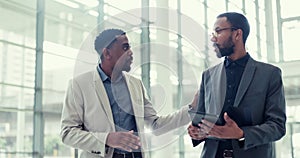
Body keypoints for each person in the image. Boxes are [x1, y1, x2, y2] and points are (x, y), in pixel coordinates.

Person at [60, 28, 197, 158]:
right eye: (125, 47)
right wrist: (107, 138)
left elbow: (156, 125)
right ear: (107, 53)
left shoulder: (136, 84)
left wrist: (191, 109)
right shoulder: (79, 85)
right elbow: (67, 133)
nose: (131, 52)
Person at [187, 12, 286, 158]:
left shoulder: (270, 74)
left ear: (237, 34)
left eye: (218, 31)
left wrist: (241, 134)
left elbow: (277, 126)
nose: (213, 38)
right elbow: (202, 121)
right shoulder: (208, 75)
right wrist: (197, 133)